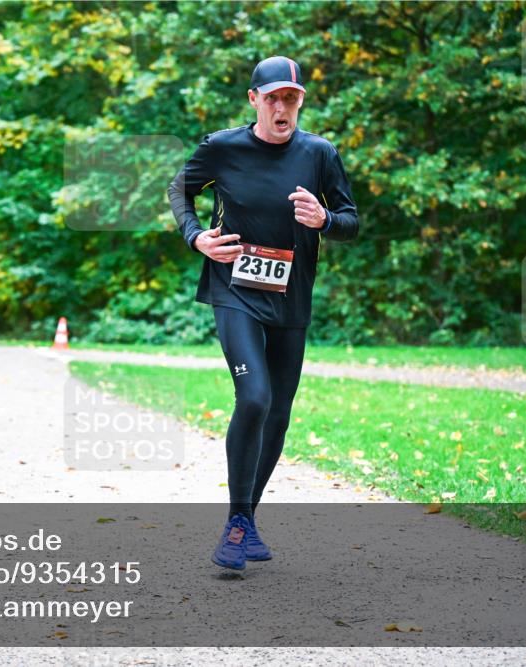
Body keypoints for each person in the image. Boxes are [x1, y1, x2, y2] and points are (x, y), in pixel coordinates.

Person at [168, 55, 358, 570]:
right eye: (272, 98)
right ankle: (236, 521)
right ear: (254, 100)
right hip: (234, 289)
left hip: (291, 297)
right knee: (253, 396)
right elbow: (178, 190)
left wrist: (324, 220)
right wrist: (197, 237)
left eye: (290, 99)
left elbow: (351, 220)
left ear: (301, 102)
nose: (282, 108)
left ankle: (245, 520)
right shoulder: (222, 147)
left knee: (278, 412)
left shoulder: (320, 153)